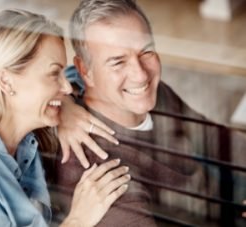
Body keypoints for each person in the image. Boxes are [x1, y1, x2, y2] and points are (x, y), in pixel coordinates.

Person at [53, 0, 246, 226]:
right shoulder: (102, 175)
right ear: (85, 70)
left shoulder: (155, 96)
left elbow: (220, 141)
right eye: (118, 62)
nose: (141, 75)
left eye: (146, 51)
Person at [0, 9, 131, 227]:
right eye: (54, 74)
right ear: (6, 82)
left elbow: (76, 74)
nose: (66, 86)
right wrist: (78, 220)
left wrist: (65, 106)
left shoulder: (24, 141)